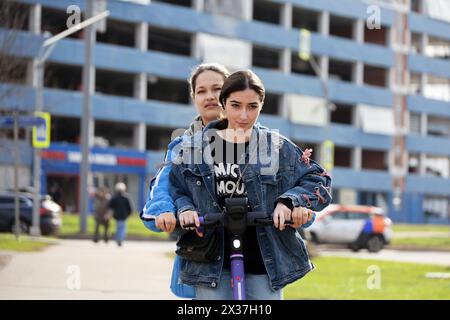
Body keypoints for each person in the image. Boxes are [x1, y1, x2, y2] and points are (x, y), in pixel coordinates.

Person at [140, 63, 318, 299]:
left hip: (259, 255)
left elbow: (297, 184)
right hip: (208, 254)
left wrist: (295, 207)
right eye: (201, 91)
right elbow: (166, 189)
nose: (210, 96)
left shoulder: (268, 142)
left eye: (217, 88)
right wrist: (171, 211)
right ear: (194, 97)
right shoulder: (185, 147)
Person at [109, 182, 133, 247]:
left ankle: (118, 239)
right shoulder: (126, 197)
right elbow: (130, 208)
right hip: (124, 215)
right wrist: (129, 214)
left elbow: (110, 206)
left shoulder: (114, 197)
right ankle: (120, 239)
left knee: (118, 228)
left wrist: (111, 214)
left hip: (117, 215)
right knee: (122, 228)